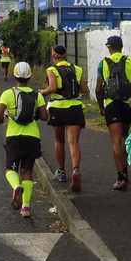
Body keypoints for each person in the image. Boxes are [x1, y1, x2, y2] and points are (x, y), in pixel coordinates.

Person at [0, 62, 49, 218]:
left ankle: (16, 186)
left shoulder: (8, 93)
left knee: (10, 169)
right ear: (30, 76)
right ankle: (26, 207)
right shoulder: (37, 95)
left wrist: (2, 120)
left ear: (14, 75)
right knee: (27, 171)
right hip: (32, 138)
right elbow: (45, 117)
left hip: (14, 137)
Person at [41, 45, 89, 192]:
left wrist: (42, 92)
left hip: (58, 107)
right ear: (65, 55)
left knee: (59, 140)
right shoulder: (78, 69)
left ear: (54, 55)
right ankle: (75, 170)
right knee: (73, 142)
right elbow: (84, 90)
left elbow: (53, 88)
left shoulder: (52, 70)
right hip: (75, 107)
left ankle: (61, 172)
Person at [95, 36, 131, 191]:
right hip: (127, 105)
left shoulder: (103, 63)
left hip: (111, 105)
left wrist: (101, 107)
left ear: (109, 47)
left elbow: (99, 89)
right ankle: (125, 172)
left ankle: (121, 177)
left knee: (116, 141)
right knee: (124, 139)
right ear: (121, 46)